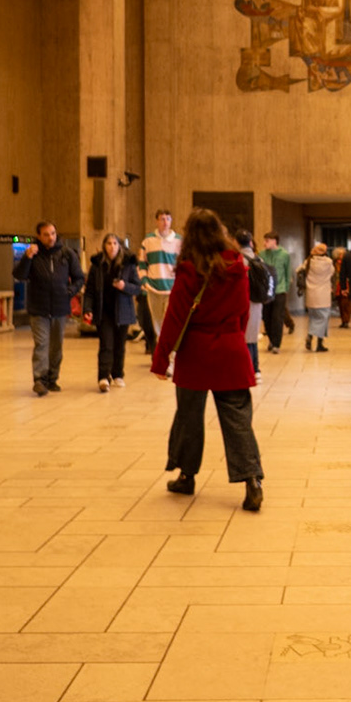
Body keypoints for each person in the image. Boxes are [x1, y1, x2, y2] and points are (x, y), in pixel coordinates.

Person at [152, 209, 263, 512]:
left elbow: (174, 318)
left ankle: (186, 476)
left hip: (196, 354)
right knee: (238, 419)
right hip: (230, 350)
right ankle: (252, 480)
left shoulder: (190, 269)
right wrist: (235, 339)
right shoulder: (237, 265)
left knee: (189, 417)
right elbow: (243, 311)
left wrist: (161, 360)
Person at [14, 221, 83, 397]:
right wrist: (27, 257)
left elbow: (79, 278)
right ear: (38, 236)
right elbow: (19, 275)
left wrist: (69, 292)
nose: (50, 237)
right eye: (46, 234)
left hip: (60, 307)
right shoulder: (33, 254)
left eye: (52, 233)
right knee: (41, 344)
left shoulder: (67, 254)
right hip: (38, 308)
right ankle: (40, 380)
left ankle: (52, 378)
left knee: (56, 347)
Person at [81, 233, 141, 391]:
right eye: (109, 243)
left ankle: (118, 374)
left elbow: (137, 287)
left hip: (123, 311)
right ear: (104, 246)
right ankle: (103, 376)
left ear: (119, 246)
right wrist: (87, 309)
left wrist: (124, 286)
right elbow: (90, 291)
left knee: (119, 345)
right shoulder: (97, 265)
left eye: (115, 243)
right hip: (103, 311)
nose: (112, 246)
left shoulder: (128, 264)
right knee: (106, 344)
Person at [138, 210, 178, 355]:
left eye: (168, 219)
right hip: (153, 288)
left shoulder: (178, 241)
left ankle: (170, 354)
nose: (165, 222)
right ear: (157, 221)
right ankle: (161, 354)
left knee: (170, 323)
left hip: (172, 288)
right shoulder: (148, 241)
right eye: (162, 219)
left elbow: (183, 264)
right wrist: (145, 281)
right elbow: (142, 264)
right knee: (157, 323)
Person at [237, 231, 268, 377]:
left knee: (245, 337)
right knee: (253, 335)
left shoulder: (237, 259)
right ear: (250, 242)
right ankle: (256, 368)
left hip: (242, 301)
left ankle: (249, 368)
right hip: (257, 301)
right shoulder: (258, 259)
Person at [258, 232, 294, 352]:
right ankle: (271, 340)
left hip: (279, 290)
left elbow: (287, 271)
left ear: (275, 241)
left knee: (277, 317)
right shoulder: (262, 254)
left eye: (267, 240)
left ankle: (276, 344)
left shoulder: (284, 255)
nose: (264, 243)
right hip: (266, 290)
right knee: (266, 317)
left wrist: (286, 287)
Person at [301, 242, 335, 351]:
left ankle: (312, 339)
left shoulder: (309, 262)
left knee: (313, 318)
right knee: (323, 319)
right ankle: (316, 340)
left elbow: (299, 270)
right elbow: (332, 273)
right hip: (324, 295)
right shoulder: (328, 262)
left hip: (311, 294)